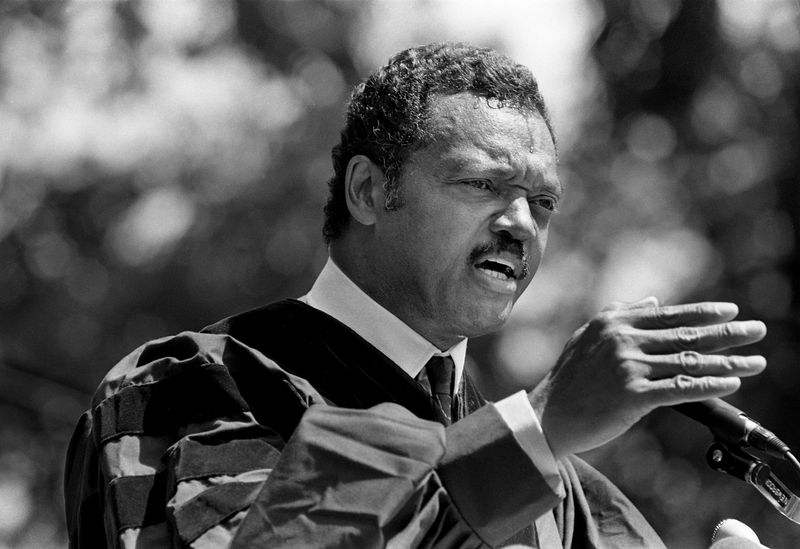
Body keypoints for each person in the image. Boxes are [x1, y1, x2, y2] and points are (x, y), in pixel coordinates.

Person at [64, 42, 767, 548]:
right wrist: (538, 425)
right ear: (370, 191)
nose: (521, 223)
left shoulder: (574, 500)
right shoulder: (193, 387)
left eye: (542, 202)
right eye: (481, 184)